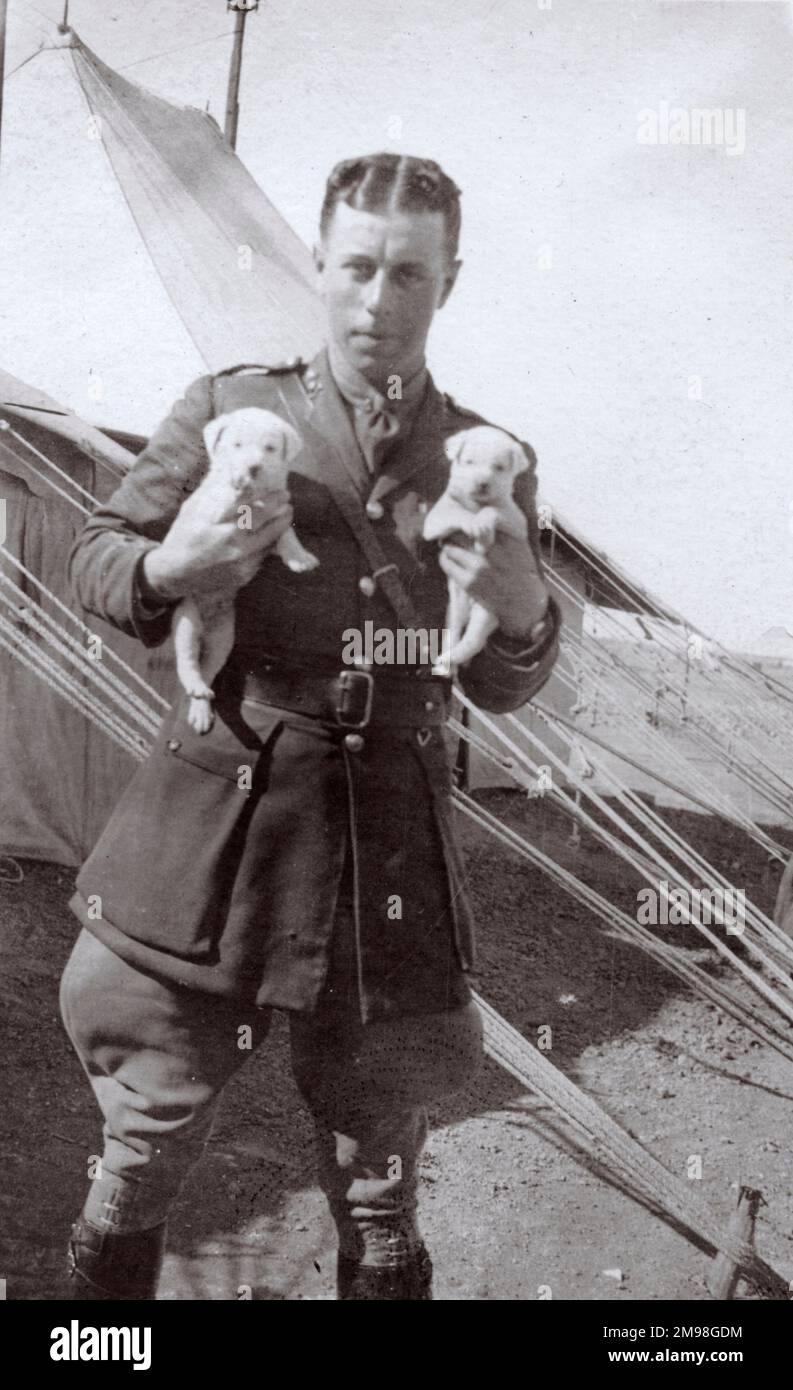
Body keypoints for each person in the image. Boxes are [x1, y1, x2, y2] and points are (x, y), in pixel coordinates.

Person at [58, 153, 561, 1301]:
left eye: (409, 278)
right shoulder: (236, 409)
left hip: (387, 835)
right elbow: (98, 550)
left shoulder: (486, 455)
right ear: (319, 268)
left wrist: (524, 600)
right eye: (356, 269)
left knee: (380, 1172)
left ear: (450, 284)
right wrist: (170, 564)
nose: (378, 302)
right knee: (141, 1143)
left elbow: (510, 679)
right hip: (222, 822)